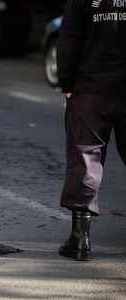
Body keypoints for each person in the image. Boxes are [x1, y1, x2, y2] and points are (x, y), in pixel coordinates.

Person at [56, 0, 126, 261]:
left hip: (91, 88)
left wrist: (67, 83)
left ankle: (80, 240)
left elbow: (68, 42)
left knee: (85, 158)